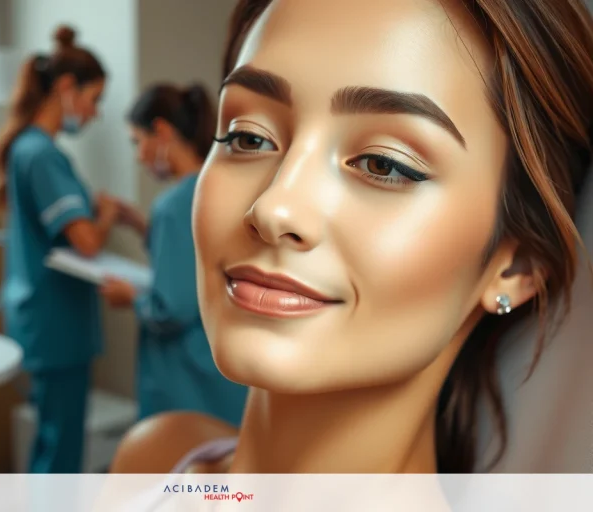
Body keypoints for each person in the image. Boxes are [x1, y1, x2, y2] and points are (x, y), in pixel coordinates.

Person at [110, 0, 593, 474]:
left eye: (383, 164)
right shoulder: (152, 461)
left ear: (517, 265)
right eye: (248, 138)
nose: (274, 208)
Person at [0, 25, 118, 474]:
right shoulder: (42, 154)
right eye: (94, 99)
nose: (95, 112)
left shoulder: (29, 149)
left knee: (52, 441)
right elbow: (86, 241)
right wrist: (106, 215)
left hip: (44, 320)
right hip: (56, 325)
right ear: (66, 88)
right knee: (61, 450)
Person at [99, 83, 249, 427]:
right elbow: (201, 261)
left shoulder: (171, 208)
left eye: (137, 142)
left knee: (179, 457)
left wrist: (130, 298)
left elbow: (171, 308)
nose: (138, 156)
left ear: (162, 131)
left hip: (186, 379)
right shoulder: (226, 189)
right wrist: (144, 227)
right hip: (225, 372)